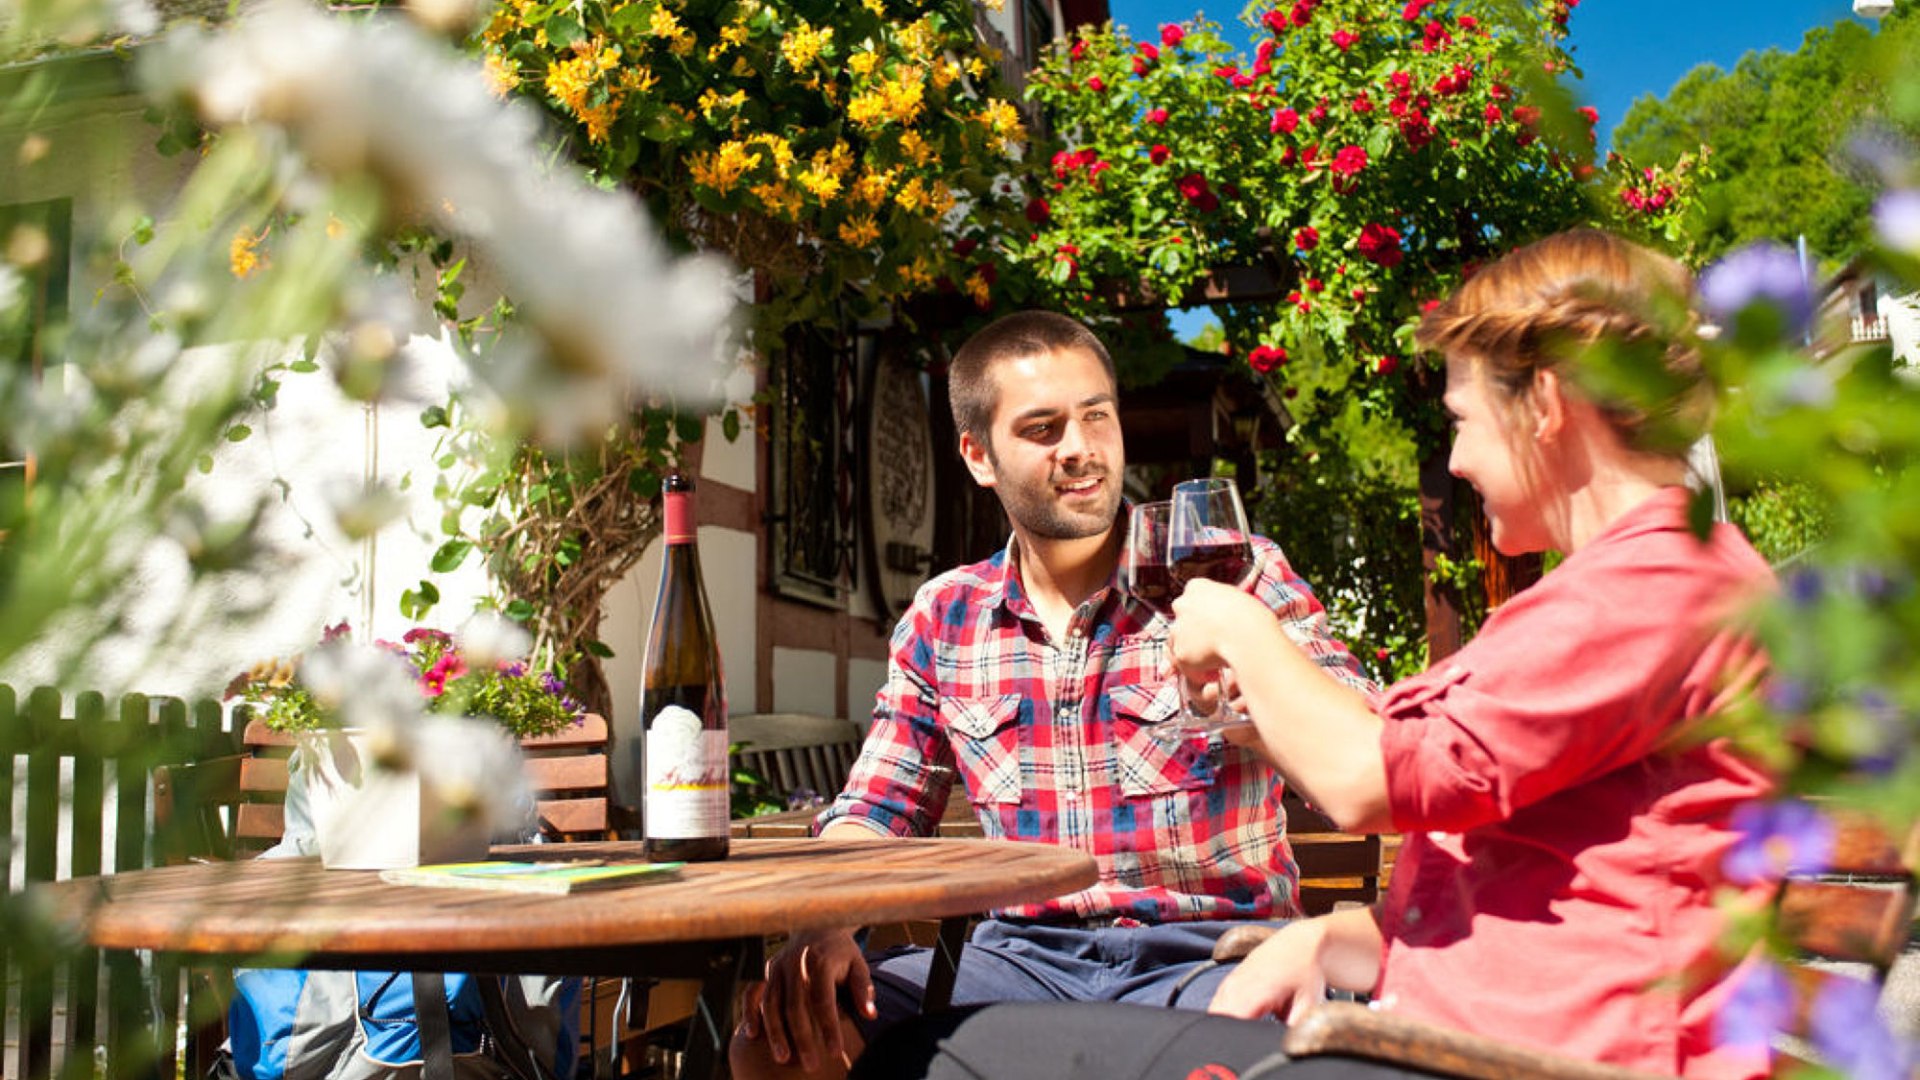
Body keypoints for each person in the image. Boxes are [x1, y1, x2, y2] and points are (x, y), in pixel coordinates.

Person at [849, 230, 1779, 1080]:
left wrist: (1238, 630)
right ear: (979, 455)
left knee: (918, 1062)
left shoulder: (1653, 589)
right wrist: (1351, 938)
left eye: (1459, 417)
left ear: (1544, 406)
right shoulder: (1618, 587)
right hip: (1439, 1024)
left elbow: (1373, 774)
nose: (1453, 460)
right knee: (835, 1037)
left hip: (1506, 1050)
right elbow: (1524, 864)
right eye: (1045, 428)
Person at [730, 310, 1377, 1079]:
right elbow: (878, 810)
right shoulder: (948, 613)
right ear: (978, 456)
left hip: (1211, 955)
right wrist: (826, 914)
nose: (1080, 448)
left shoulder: (1232, 576)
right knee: (781, 1040)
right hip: (1016, 963)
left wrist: (1253, 690)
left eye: (1096, 416)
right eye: (1043, 428)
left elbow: (1368, 746)